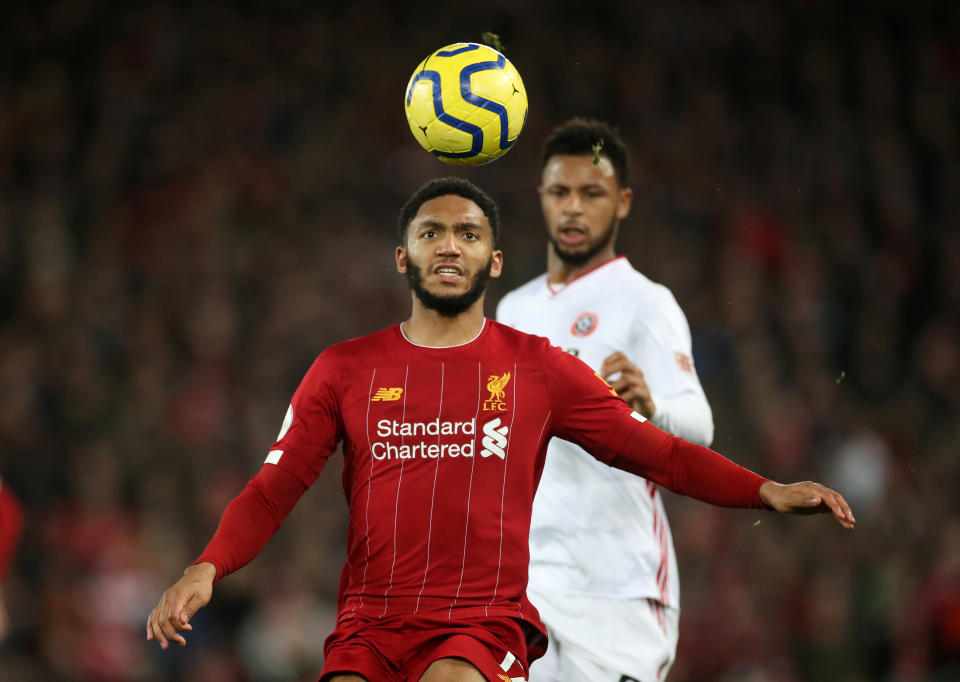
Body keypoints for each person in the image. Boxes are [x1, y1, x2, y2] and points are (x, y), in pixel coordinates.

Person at [146, 177, 855, 682]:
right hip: (368, 626)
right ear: (404, 258)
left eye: (468, 233)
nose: (449, 246)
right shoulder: (342, 369)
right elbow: (274, 488)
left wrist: (767, 491)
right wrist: (206, 566)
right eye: (431, 233)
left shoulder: (538, 371)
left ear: (495, 261)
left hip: (480, 627)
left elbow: (659, 454)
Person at [496, 117, 717, 681]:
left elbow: (701, 427)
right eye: (561, 192)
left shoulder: (645, 303)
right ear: (541, 198)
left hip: (618, 585)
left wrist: (654, 407)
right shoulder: (512, 311)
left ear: (621, 202)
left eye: (591, 193)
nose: (573, 207)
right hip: (531, 581)